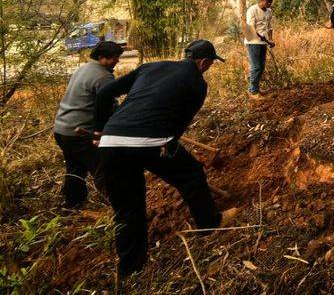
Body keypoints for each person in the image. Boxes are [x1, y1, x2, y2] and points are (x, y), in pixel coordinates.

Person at [94, 40, 238, 279]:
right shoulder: (198, 83)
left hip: (110, 142)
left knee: (128, 210)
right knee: (191, 174)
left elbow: (105, 93)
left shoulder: (151, 66)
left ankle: (131, 271)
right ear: (203, 62)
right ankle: (209, 222)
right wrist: (169, 145)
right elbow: (180, 122)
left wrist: (100, 130)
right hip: (149, 141)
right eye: (211, 62)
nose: (210, 66)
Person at [52, 40, 123, 209]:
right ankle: (118, 206)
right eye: (114, 58)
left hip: (62, 130)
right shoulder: (103, 76)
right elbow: (110, 105)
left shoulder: (83, 68)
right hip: (81, 133)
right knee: (103, 167)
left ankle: (73, 204)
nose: (117, 61)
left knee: (75, 168)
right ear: (101, 57)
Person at [243, 0, 275, 96]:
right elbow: (250, 29)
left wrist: (270, 39)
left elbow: (270, 27)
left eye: (271, 1)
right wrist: (265, 39)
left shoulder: (269, 11)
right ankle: (252, 92)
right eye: (268, 1)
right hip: (252, 41)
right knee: (256, 67)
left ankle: (256, 89)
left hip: (263, 42)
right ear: (261, 0)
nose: (270, 3)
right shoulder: (252, 10)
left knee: (261, 67)